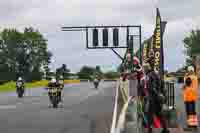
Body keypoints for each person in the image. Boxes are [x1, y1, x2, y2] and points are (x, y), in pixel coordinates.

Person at [145, 59, 169, 133]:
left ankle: (149, 130)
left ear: (149, 67)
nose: (144, 68)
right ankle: (165, 129)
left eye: (146, 67)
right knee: (159, 114)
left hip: (153, 98)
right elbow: (162, 85)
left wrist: (156, 94)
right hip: (158, 98)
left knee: (149, 114)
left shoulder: (149, 75)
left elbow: (151, 87)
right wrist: (161, 95)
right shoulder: (156, 74)